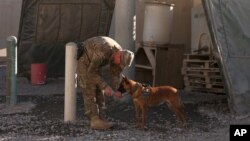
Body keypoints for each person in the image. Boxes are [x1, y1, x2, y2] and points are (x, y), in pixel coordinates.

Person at [76, 36, 134, 130]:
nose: (120, 65)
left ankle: (101, 118)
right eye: (120, 62)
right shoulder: (104, 50)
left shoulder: (119, 55)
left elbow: (116, 74)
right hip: (84, 59)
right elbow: (91, 72)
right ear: (119, 55)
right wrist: (105, 86)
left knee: (99, 89)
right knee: (89, 86)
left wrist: (119, 90)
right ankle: (94, 120)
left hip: (95, 64)